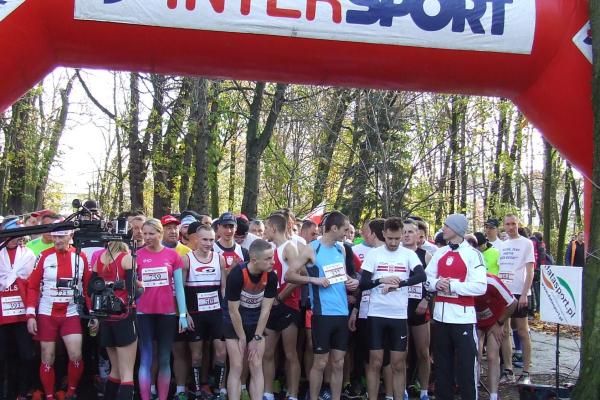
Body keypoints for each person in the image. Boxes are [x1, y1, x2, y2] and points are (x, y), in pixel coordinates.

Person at [285, 211, 359, 400]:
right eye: (344, 229)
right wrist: (314, 280)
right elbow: (290, 275)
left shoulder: (341, 249)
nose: (347, 233)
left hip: (342, 312)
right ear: (333, 228)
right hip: (322, 313)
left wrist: (351, 282)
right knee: (320, 362)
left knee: (339, 362)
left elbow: (342, 276)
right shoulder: (312, 248)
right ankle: (314, 396)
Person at [360, 217, 426, 400]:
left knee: (398, 363)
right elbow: (363, 283)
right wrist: (380, 280)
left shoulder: (408, 254)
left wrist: (400, 283)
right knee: (376, 362)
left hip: (398, 315)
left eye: (397, 238)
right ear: (384, 234)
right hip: (376, 314)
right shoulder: (374, 254)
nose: (394, 243)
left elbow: (421, 276)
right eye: (390, 238)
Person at [424, 214, 487, 400]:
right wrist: (436, 284)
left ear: (457, 229)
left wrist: (453, 286)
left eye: (446, 226)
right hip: (441, 320)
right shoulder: (440, 253)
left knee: (467, 368)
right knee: (442, 368)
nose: (443, 229)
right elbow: (426, 279)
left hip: (463, 319)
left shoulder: (473, 255)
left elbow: (480, 286)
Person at [26, 230, 90, 400]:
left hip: (71, 312)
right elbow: (32, 286)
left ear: (71, 237)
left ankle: (70, 393)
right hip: (47, 313)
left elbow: (88, 287)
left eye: (62, 236)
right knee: (48, 356)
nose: (57, 240)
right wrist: (30, 314)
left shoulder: (81, 256)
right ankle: (48, 395)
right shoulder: (44, 256)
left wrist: (93, 314)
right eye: (55, 237)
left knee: (76, 355)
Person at [136, 219, 189, 400]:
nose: (148, 237)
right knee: (146, 358)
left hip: (167, 312)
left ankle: (163, 397)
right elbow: (131, 286)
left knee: (165, 358)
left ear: (160, 234)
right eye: (145, 234)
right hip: (143, 312)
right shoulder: (137, 255)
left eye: (151, 234)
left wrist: (182, 314)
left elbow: (179, 287)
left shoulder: (172, 256)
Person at [222, 239, 278, 400]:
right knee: (237, 365)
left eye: (272, 257)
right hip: (234, 319)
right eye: (268, 259)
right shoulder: (237, 274)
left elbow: (266, 309)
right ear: (253, 260)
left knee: (255, 364)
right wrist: (242, 337)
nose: (272, 262)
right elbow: (233, 311)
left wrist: (257, 337)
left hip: (255, 320)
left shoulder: (271, 277)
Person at [183, 222, 227, 400]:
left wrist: (226, 311)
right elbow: (181, 290)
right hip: (195, 314)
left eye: (211, 239)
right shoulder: (187, 259)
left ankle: (218, 388)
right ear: (196, 239)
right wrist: (184, 313)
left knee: (221, 352)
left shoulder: (219, 258)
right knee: (196, 355)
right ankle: (196, 388)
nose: (208, 243)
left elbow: (223, 288)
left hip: (216, 313)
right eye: (204, 239)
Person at [89, 241, 137, 400]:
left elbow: (91, 290)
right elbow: (133, 290)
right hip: (123, 316)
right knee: (127, 373)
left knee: (115, 370)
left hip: (105, 318)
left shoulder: (100, 259)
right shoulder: (126, 258)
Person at [262, 214, 301, 400]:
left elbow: (298, 276)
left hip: (288, 305)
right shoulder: (272, 249)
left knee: (290, 353)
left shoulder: (289, 247)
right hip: (273, 306)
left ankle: (293, 394)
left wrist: (281, 296)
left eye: (266, 228)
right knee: (267, 352)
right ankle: (268, 392)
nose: (264, 232)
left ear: (274, 228)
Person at [0, 218, 37, 400]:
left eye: (18, 234)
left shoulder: (28, 254)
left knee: (26, 355)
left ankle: (22, 392)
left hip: (22, 313)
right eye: (11, 234)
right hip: (2, 314)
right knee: (5, 357)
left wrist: (31, 312)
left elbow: (32, 285)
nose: (15, 238)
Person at [497, 214, 535, 384]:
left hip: (520, 293)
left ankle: (526, 372)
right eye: (507, 224)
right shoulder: (502, 246)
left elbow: (530, 270)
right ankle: (508, 369)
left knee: (522, 331)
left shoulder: (526, 243)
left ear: (518, 225)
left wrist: (525, 293)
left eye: (513, 224)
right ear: (503, 226)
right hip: (504, 293)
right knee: (504, 331)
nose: (511, 227)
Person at [402, 219, 432, 400]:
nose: (406, 235)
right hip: (399, 308)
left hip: (420, 308)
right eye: (404, 232)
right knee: (401, 352)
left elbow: (433, 282)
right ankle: (402, 389)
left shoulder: (426, 255)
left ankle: (424, 391)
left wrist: (426, 300)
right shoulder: (395, 254)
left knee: (423, 351)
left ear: (418, 236)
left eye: (410, 232)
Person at [475, 274, 517, 400]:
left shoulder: (492, 282)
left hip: (495, 319)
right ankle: (474, 387)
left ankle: (493, 395)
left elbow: (513, 302)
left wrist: (500, 322)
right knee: (475, 352)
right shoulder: (466, 280)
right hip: (476, 319)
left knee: (492, 356)